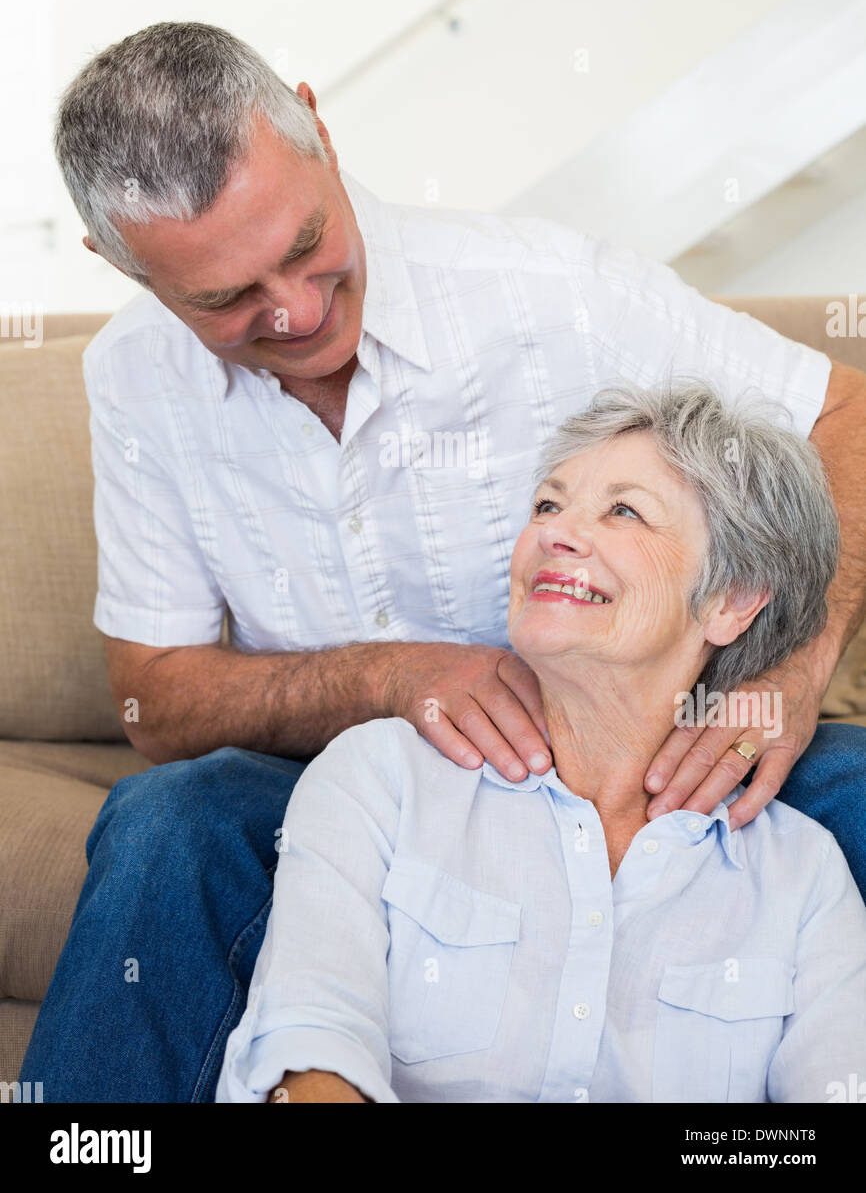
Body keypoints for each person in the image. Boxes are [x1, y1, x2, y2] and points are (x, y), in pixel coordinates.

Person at [19, 21, 866, 1102]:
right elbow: (153, 701)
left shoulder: (546, 291)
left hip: (639, 744)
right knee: (165, 823)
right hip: (339, 775)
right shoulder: (134, 380)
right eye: (224, 300)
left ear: (318, 129)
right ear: (121, 266)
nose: (295, 309)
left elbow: (845, 415)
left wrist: (788, 677)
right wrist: (389, 679)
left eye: (304, 243)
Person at [217, 382, 866, 1104]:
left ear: (731, 600)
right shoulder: (379, 777)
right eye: (547, 506)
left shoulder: (802, 875)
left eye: (624, 510)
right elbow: (310, 1048)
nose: (555, 533)